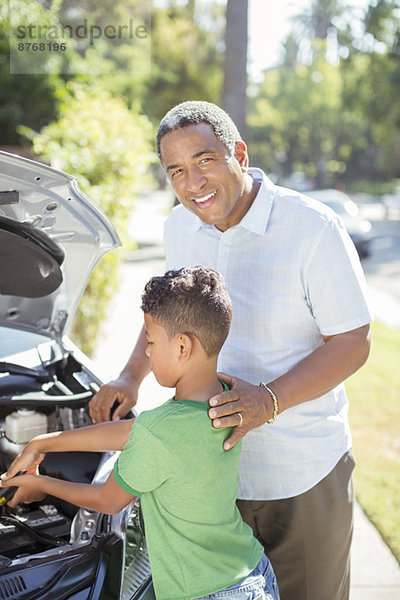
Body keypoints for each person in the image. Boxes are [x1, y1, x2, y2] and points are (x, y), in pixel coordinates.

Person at [88, 101, 373, 599]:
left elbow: (352, 341)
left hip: (300, 472)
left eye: (205, 161)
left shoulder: (312, 227)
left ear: (238, 153)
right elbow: (164, 313)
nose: (192, 183)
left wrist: (270, 399)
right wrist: (130, 376)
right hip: (211, 477)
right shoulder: (179, 226)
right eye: (176, 170)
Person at [1, 266, 279, 600]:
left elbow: (108, 500)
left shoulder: (160, 430)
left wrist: (38, 483)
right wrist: (43, 442)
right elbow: (137, 431)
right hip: (252, 571)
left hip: (208, 592)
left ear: (182, 347)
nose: (145, 352)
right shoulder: (225, 398)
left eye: (150, 341)